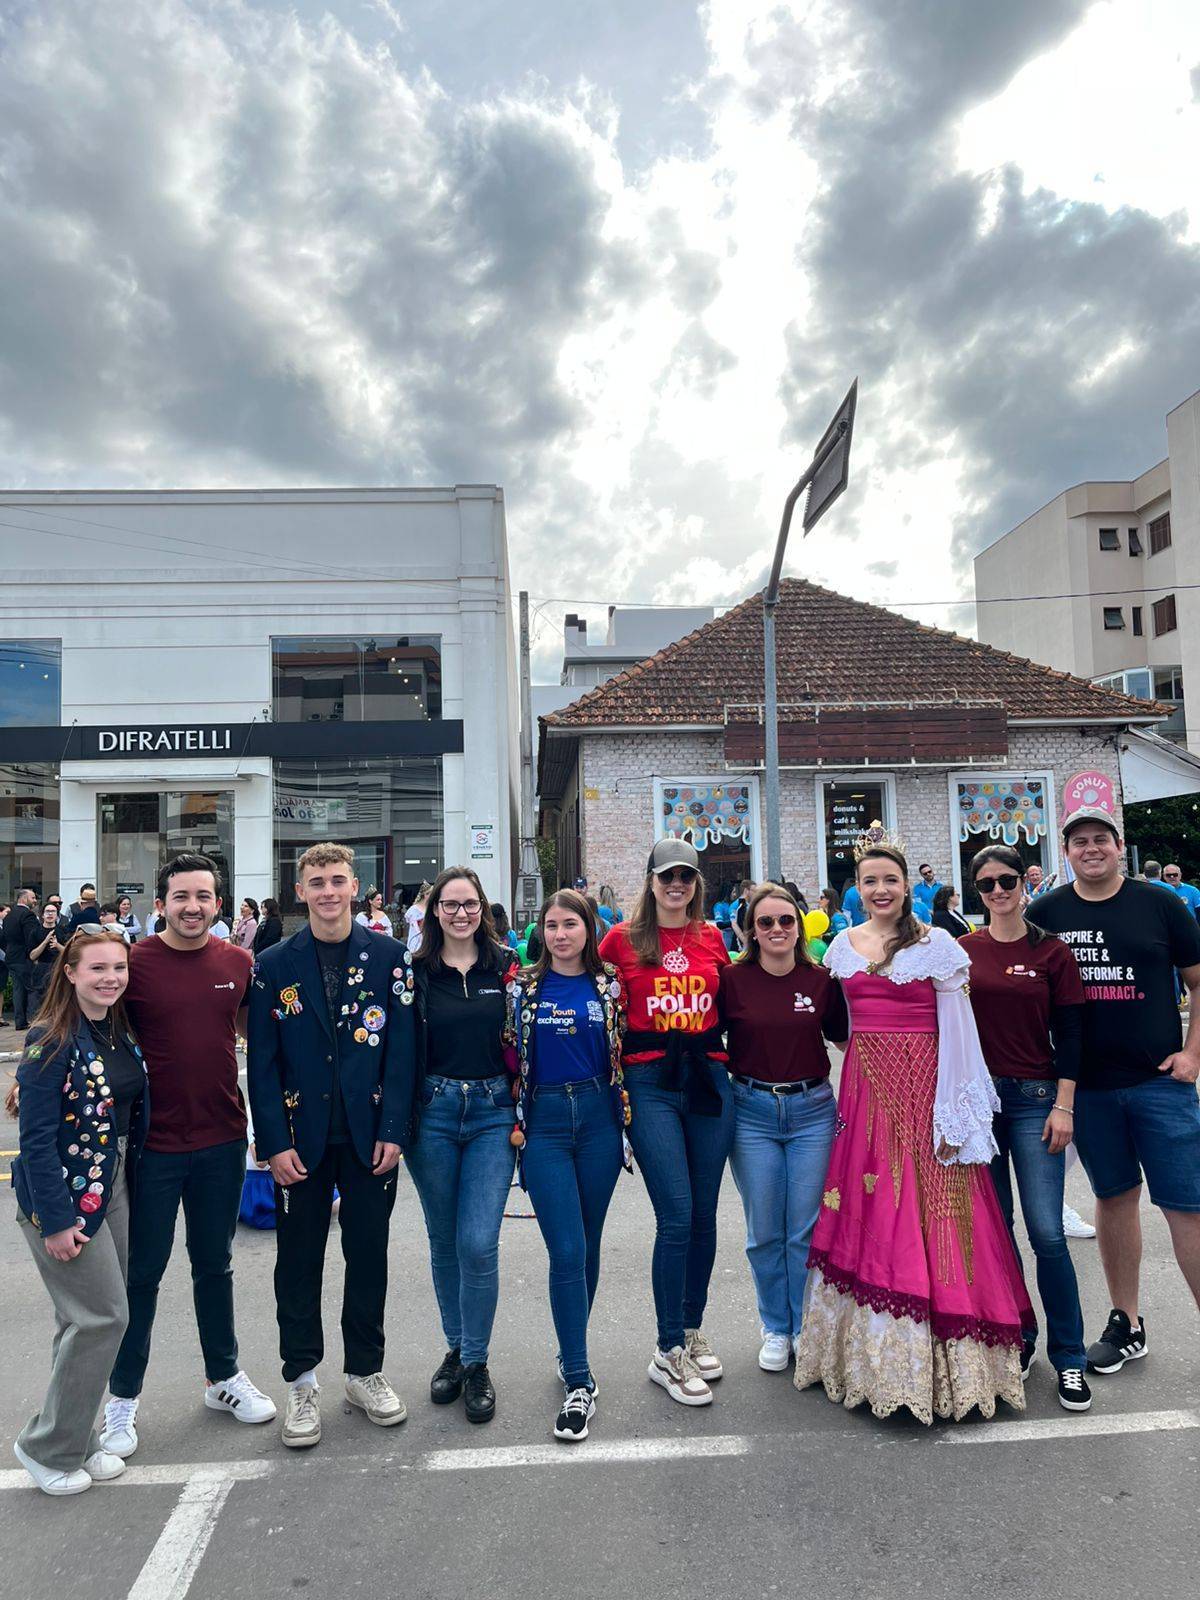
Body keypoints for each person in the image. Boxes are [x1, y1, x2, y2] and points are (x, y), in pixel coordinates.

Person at [794, 840, 1035, 1424]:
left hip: (927, 1086)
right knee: (875, 1210)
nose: (881, 890)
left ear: (907, 885)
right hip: (865, 1091)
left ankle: (950, 1364)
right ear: (857, 886)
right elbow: (839, 1025)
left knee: (939, 1212)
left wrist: (955, 1112)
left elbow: (960, 1032)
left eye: (890, 880)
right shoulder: (842, 946)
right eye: (870, 880)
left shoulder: (938, 945)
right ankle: (874, 1361)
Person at [98, 853, 275, 1461]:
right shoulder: (136, 964)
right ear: (161, 903)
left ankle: (221, 1377)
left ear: (219, 904)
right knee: (141, 1275)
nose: (192, 906)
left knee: (214, 1266)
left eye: (203, 896)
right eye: (181, 896)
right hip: (153, 1144)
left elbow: (264, 1041)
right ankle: (122, 1399)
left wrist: (271, 1125)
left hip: (223, 1139)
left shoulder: (238, 962)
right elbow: (85, 1021)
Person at [248, 842, 415, 1449]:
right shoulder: (272, 964)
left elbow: (402, 1053)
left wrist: (395, 1129)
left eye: (337, 880)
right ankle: (301, 1378)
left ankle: (364, 1371)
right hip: (300, 1142)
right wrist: (271, 1143)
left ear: (355, 886)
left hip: (370, 1139)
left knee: (368, 1256)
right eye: (315, 881)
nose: (326, 891)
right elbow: (261, 1066)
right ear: (301, 890)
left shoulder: (391, 957)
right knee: (298, 1263)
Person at [1028, 809, 1200, 1370]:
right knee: (1114, 1198)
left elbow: (1198, 981)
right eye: (1080, 842)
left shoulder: (1161, 904)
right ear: (1066, 852)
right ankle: (1128, 1322)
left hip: (1161, 1083)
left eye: (1100, 839)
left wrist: (1194, 1052)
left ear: (1119, 846)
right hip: (1089, 1089)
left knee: (1186, 1209)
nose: (1091, 848)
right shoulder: (1046, 912)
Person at [8, 927, 148, 1494]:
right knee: (104, 1317)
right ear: (69, 973)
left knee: (79, 1321)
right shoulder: (50, 1038)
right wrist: (57, 1221)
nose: (111, 977)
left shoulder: (111, 1028)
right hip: (63, 1197)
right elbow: (35, 1142)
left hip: (107, 1182)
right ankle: (48, 1449)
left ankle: (75, 1437)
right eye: (97, 968)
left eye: (119, 966)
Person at [599, 838, 733, 1407]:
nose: (676, 885)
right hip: (650, 1082)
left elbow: (737, 1005)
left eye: (686, 876)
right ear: (650, 881)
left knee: (705, 1215)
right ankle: (667, 1347)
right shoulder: (621, 940)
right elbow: (596, 1005)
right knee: (675, 1214)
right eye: (666, 876)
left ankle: (691, 1324)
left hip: (707, 1078)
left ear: (696, 883)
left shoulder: (712, 938)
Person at [962, 846, 1092, 1412]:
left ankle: (1069, 1357)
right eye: (986, 883)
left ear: (1023, 882)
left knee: (1045, 1232)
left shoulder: (1051, 951)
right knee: (996, 1233)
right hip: (980, 1104)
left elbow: (1073, 1032)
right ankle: (1019, 1338)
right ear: (977, 891)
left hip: (1037, 1100)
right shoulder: (963, 950)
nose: (998, 890)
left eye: (1007, 879)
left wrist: (1064, 1105)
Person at [510, 889, 629, 1441]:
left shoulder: (609, 986)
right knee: (568, 1249)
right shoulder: (522, 988)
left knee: (591, 1241)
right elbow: (505, 1054)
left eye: (571, 925)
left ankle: (569, 1351)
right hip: (546, 1122)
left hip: (600, 1119)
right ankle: (579, 1379)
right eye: (551, 925)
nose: (560, 934)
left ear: (589, 928)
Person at [720, 883, 848, 1372]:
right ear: (751, 930)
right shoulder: (732, 979)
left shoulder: (821, 980)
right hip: (751, 1112)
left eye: (786, 921)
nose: (777, 930)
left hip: (812, 1111)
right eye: (765, 922)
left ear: (800, 926)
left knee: (804, 1230)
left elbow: (848, 1043)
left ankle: (804, 1326)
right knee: (763, 1232)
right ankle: (775, 1325)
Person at [406, 867, 517, 1425]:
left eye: (469, 903)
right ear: (434, 913)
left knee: (478, 1242)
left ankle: (476, 1361)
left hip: (494, 1115)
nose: (460, 913)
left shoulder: (509, 969)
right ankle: (457, 1347)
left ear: (483, 909)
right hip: (434, 1113)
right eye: (450, 904)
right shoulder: (416, 973)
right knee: (444, 1239)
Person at [3, 886, 43, 1029]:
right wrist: (34, 954)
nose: (35, 901)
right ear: (24, 898)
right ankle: (34, 1020)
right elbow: (31, 937)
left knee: (18, 990)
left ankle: (20, 1022)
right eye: (32, 898)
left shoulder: (9, 915)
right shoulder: (28, 915)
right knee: (32, 989)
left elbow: (4, 937)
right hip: (24, 958)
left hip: (11, 956)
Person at [28, 903, 65, 1010]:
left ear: (57, 915)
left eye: (53, 911)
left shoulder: (62, 931)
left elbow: (69, 952)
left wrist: (57, 945)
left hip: (59, 967)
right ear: (42, 915)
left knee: (58, 997)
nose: (50, 914)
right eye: (47, 911)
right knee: (40, 999)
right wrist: (45, 941)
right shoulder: (35, 932)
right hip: (42, 968)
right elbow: (32, 956)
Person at [405, 882, 431, 955]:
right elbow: (414, 926)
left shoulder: (430, 908)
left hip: (429, 937)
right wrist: (421, 938)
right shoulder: (414, 909)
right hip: (417, 938)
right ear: (425, 895)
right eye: (430, 894)